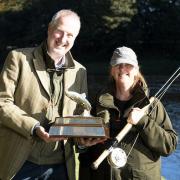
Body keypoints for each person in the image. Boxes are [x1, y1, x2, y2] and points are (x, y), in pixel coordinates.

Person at [0, 9, 88, 180]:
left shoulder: (80, 71)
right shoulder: (18, 58)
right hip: (21, 162)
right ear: (49, 29)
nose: (63, 39)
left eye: (70, 35)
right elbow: (2, 102)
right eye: (59, 31)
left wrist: (83, 139)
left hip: (60, 166)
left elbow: (79, 114)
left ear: (75, 38)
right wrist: (34, 128)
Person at [79, 46, 178, 180]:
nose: (122, 68)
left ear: (136, 70)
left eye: (128, 65)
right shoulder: (96, 102)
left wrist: (144, 121)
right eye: (118, 64)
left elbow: (169, 146)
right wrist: (82, 143)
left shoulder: (152, 105)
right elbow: (83, 149)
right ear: (112, 70)